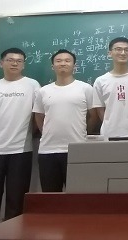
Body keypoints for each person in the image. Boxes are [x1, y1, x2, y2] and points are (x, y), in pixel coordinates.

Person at [0, 48, 40, 230]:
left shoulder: (33, 85)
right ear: (1, 63)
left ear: (23, 65)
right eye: (10, 60)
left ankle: (13, 234)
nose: (14, 63)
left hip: (20, 150)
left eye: (19, 61)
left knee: (16, 200)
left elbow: (38, 114)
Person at [33, 49, 95, 192]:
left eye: (67, 61)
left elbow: (93, 115)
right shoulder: (43, 91)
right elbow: (39, 116)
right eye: (58, 61)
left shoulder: (85, 88)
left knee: (77, 195)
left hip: (76, 149)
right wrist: (46, 132)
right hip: (47, 150)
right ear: (52, 66)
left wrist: (83, 133)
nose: (63, 63)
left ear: (75, 66)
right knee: (50, 196)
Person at [92, 37, 128, 137]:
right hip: (108, 135)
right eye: (118, 49)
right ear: (109, 53)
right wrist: (110, 125)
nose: (123, 53)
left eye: (127, 50)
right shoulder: (100, 81)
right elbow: (100, 110)